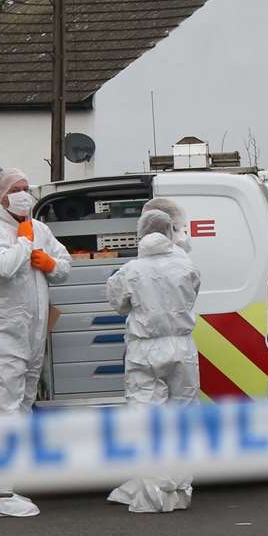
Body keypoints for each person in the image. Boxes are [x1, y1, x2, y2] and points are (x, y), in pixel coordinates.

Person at [0, 168, 72, 517]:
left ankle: (9, 480)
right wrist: (25, 243)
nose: (25, 194)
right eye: (17, 189)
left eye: (27, 188)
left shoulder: (39, 229)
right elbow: (2, 267)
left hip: (30, 336)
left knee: (21, 407)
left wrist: (50, 262)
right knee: (2, 410)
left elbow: (65, 265)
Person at [104, 207, 203, 512]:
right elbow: (193, 294)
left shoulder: (131, 270)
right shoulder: (186, 265)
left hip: (145, 350)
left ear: (141, 234)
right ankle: (179, 490)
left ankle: (151, 493)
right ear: (171, 232)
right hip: (181, 347)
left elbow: (118, 304)